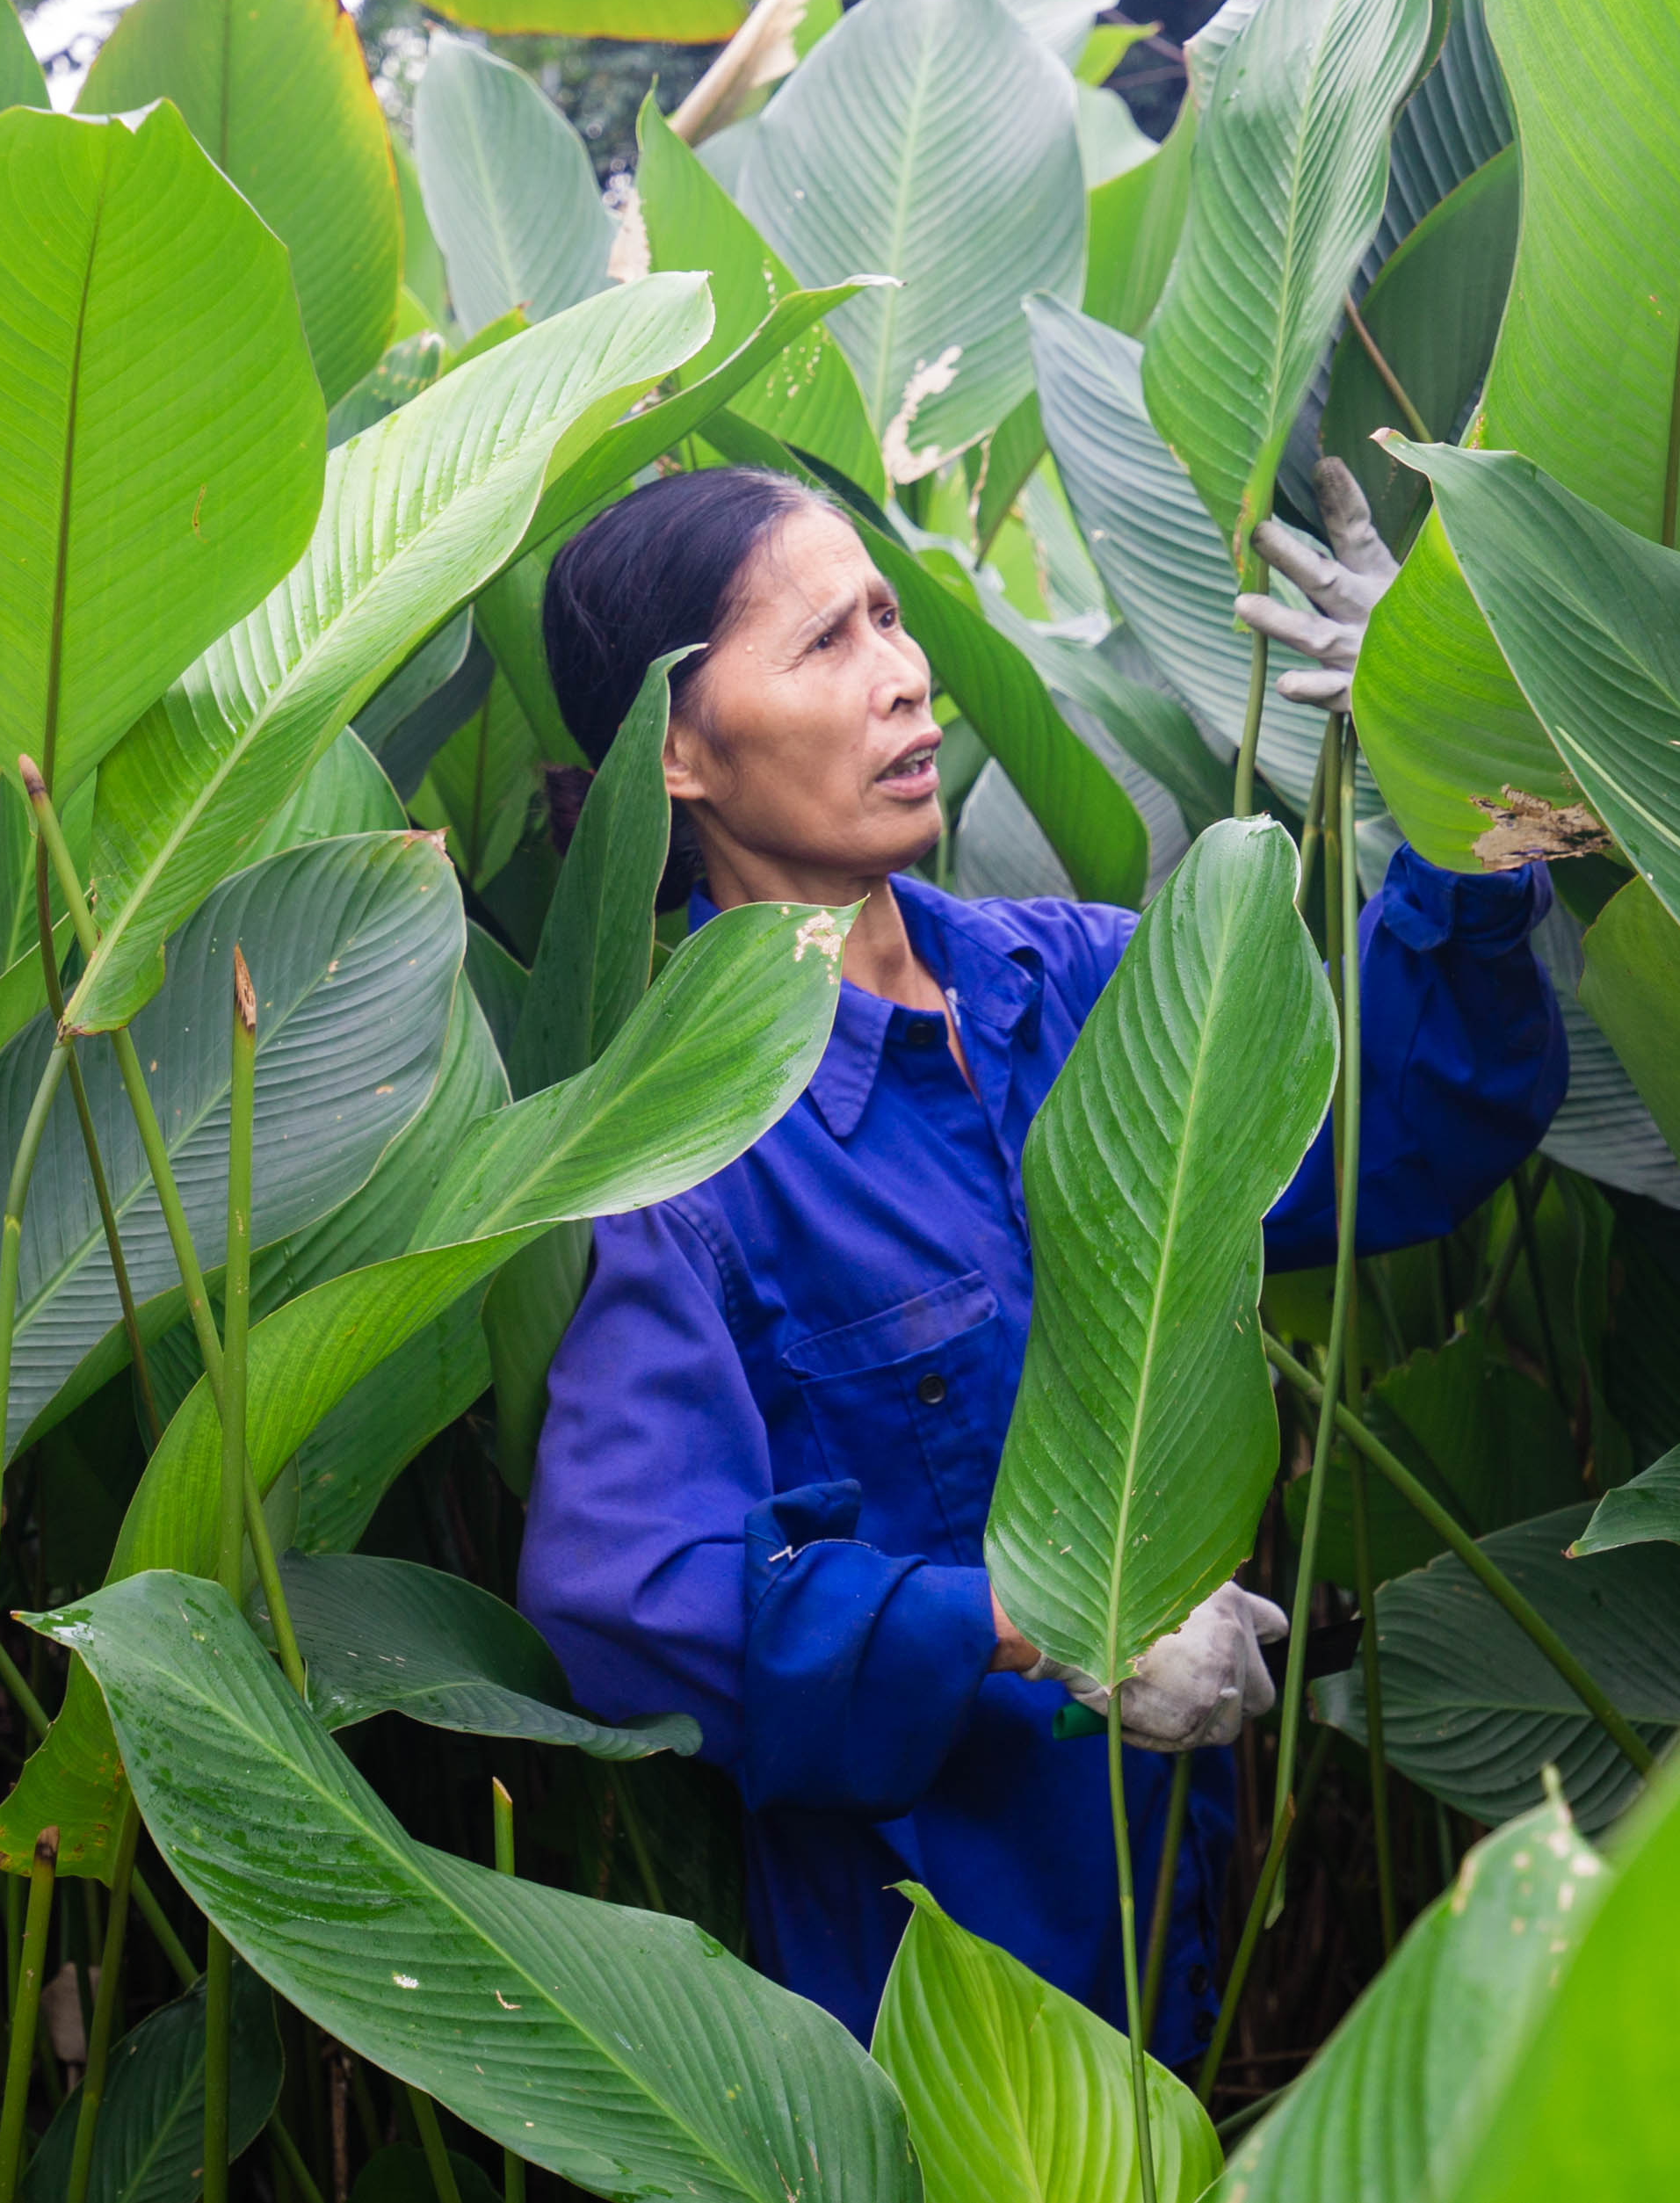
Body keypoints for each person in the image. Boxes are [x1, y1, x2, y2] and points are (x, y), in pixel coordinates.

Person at [515, 456, 1568, 2059]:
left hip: (1195, 1946)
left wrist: (1454, 749)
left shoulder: (1068, 985)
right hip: (954, 2025)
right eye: (821, 645)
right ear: (679, 751)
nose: (900, 670)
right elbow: (626, 1595)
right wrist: (1040, 1618)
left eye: (887, 613)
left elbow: (1399, 1131)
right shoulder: (684, 1153)